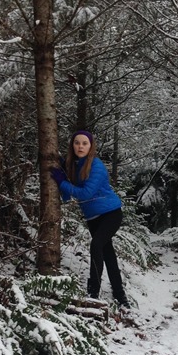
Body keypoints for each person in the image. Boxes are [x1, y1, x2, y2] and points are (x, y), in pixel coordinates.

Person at [51, 130, 130, 308]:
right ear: (72, 145)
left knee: (96, 245)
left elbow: (86, 193)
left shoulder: (96, 165)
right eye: (77, 143)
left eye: (84, 143)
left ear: (91, 146)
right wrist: (63, 173)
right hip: (93, 218)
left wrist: (62, 182)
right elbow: (68, 195)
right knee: (108, 254)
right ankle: (120, 296)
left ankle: (93, 292)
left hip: (111, 213)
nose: (80, 146)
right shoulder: (74, 165)